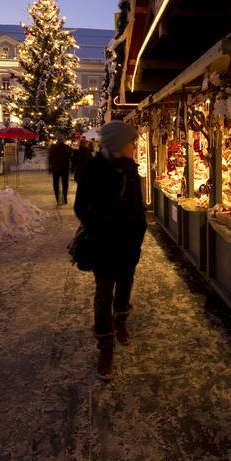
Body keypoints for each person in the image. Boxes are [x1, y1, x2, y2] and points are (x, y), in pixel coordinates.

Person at [74, 121, 147, 380]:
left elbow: (138, 207)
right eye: (131, 142)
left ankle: (121, 322)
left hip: (128, 245)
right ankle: (105, 345)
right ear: (117, 143)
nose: (134, 146)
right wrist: (100, 230)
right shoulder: (94, 170)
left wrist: (139, 233)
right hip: (104, 245)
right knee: (104, 292)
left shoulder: (130, 169)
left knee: (125, 286)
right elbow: (81, 207)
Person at [48, 132, 72, 205]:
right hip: (65, 168)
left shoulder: (53, 147)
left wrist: (50, 167)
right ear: (63, 140)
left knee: (56, 184)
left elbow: (50, 158)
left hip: (56, 168)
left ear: (57, 140)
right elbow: (70, 157)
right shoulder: (67, 147)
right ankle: (65, 198)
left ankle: (57, 198)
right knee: (65, 184)